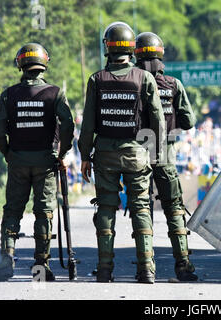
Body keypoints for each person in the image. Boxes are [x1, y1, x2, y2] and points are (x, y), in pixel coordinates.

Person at [78, 22, 165, 283]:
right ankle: (147, 269)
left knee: (105, 208)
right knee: (140, 208)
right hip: (137, 154)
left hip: (104, 154)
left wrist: (84, 156)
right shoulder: (144, 78)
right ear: (131, 49)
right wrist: (156, 153)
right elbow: (158, 120)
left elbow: (88, 124)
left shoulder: (96, 79)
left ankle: (105, 270)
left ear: (107, 47)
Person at [0, 43, 75, 281]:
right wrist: (62, 154)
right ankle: (41, 266)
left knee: (12, 211)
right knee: (43, 212)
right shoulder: (55, 93)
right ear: (44, 64)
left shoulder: (9, 95)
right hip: (46, 163)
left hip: (17, 160)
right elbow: (68, 125)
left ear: (20, 64)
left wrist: (8, 154)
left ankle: (7, 258)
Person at [135, 32, 198, 281]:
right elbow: (189, 121)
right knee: (173, 208)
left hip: (138, 152)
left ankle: (146, 266)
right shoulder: (173, 84)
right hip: (166, 152)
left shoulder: (132, 82)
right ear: (161, 54)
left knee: (142, 207)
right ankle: (183, 264)